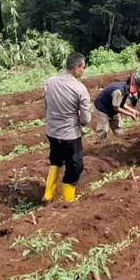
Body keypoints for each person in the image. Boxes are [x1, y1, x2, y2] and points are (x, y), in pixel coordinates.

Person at [42, 52, 91, 204]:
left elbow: (46, 105)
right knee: (75, 166)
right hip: (69, 135)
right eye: (83, 67)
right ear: (76, 68)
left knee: (56, 159)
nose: (84, 70)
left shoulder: (49, 82)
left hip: (52, 131)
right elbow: (85, 119)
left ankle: (48, 195)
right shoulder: (80, 89)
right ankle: (67, 200)